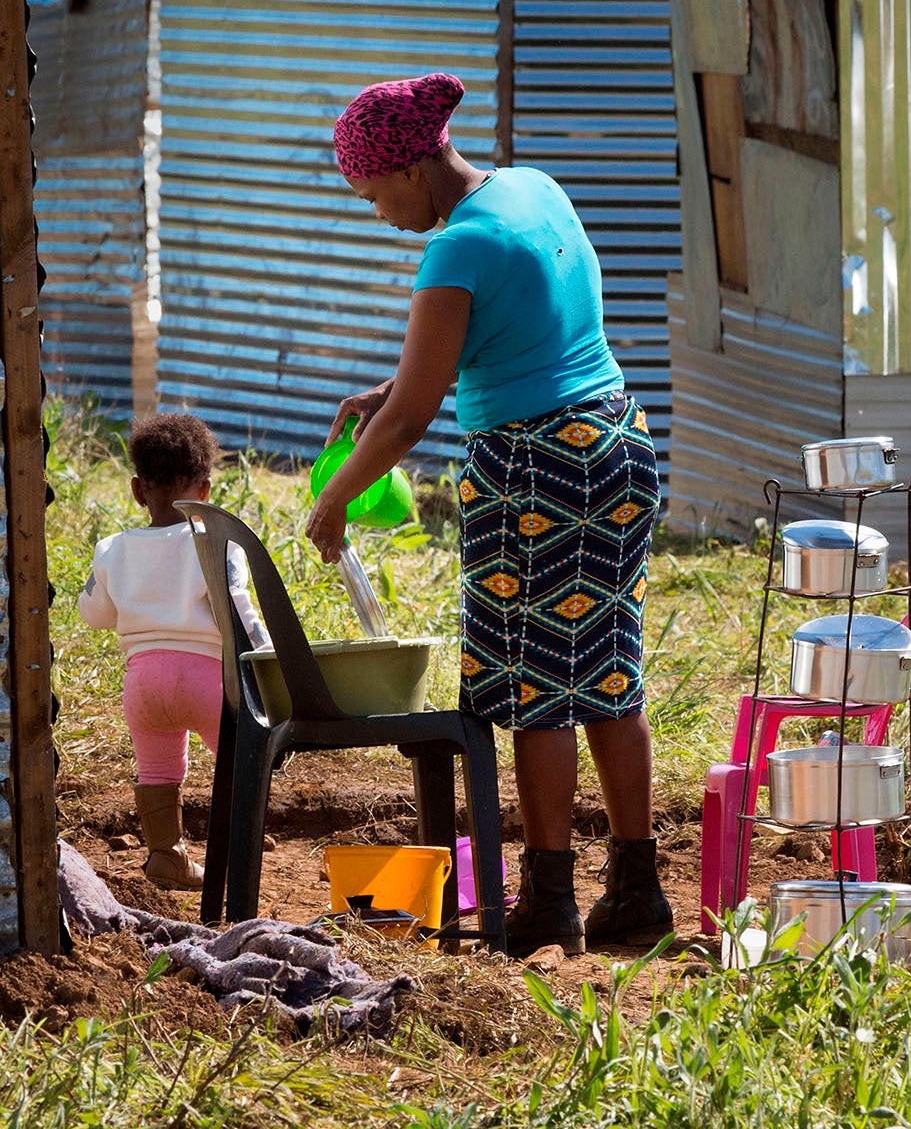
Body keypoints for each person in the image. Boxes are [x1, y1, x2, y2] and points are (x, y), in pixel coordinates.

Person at [304, 72, 671, 956]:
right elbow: (525, 332)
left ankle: (550, 904)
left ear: (414, 169)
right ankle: (638, 890)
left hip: (535, 476)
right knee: (608, 671)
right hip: (615, 445)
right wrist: (395, 382)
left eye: (376, 194)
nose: (379, 213)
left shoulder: (455, 249)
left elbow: (411, 419)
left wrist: (335, 498)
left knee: (538, 690)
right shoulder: (531, 189)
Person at [79, 413, 262, 890]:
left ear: (139, 491)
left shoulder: (111, 548)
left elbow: (95, 615)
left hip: (142, 682)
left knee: (157, 768)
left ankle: (166, 856)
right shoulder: (218, 544)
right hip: (206, 678)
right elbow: (238, 611)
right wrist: (266, 660)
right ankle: (239, 854)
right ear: (204, 490)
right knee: (243, 759)